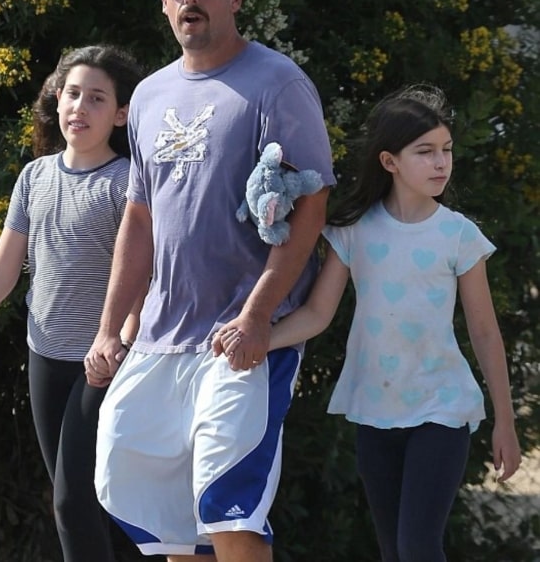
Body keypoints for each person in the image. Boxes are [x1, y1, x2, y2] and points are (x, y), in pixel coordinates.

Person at [85, 0, 336, 562]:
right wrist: (111, 328)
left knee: (231, 510)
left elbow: (311, 206)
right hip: (163, 335)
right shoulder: (147, 96)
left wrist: (256, 316)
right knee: (160, 511)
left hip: (241, 340)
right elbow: (138, 220)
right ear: (164, 1)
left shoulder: (277, 83)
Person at [218, 84, 522, 562]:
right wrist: (257, 337)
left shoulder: (459, 235)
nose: (441, 163)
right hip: (374, 409)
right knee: (391, 551)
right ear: (389, 162)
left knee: (418, 548)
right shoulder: (352, 231)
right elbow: (318, 315)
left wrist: (505, 421)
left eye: (446, 150)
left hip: (441, 409)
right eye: (425, 152)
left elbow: (485, 332)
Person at [0, 44, 144, 562]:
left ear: (122, 113)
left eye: (97, 98)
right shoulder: (34, 177)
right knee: (83, 501)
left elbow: (144, 277)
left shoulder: (126, 183)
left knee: (75, 501)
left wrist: (124, 342)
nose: (80, 108)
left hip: (105, 368)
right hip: (45, 360)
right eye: (73, 93)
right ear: (57, 99)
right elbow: (1, 271)